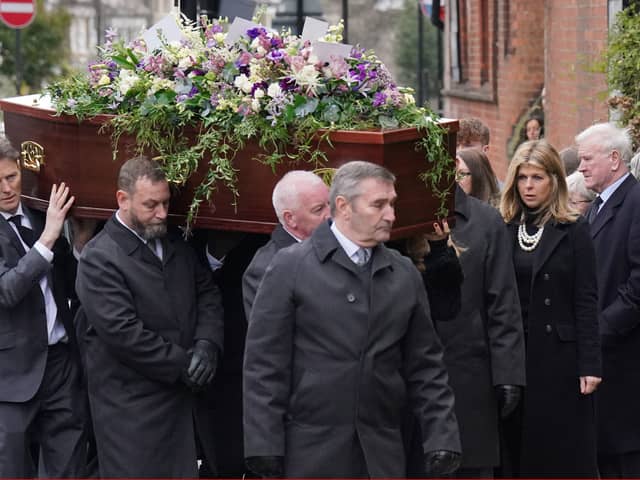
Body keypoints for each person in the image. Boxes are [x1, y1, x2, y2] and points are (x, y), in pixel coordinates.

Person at [243, 160, 461, 478]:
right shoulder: (290, 267)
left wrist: (442, 436)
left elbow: (426, 364)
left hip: (381, 451)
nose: (391, 215)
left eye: (392, 204)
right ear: (343, 207)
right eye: (378, 205)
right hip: (309, 450)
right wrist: (264, 446)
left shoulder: (402, 274)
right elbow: (264, 365)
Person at [75, 156, 224, 477]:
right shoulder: (100, 258)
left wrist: (208, 343)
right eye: (150, 204)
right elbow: (124, 334)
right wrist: (185, 364)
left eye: (166, 202)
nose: (161, 213)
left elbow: (207, 293)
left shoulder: (173, 243)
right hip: (134, 414)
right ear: (122, 199)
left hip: (184, 405)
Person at [500, 139, 601, 477]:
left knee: (557, 449)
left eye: (537, 177)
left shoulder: (573, 228)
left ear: (554, 180)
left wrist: (590, 363)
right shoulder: (504, 227)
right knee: (516, 446)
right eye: (523, 177)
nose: (528, 186)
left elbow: (586, 298)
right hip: (515, 353)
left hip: (560, 357)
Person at [416, 185, 525, 478]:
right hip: (413, 378)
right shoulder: (397, 217)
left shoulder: (486, 221)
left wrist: (509, 374)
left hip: (469, 371)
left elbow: (502, 300)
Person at [0, 138, 94, 476]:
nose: (7, 189)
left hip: (60, 365)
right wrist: (50, 237)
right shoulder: (49, 227)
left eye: (11, 177)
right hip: (9, 375)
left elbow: (70, 282)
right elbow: (7, 291)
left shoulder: (41, 215)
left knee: (68, 466)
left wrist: (80, 245)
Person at [576, 123, 640, 477]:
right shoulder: (595, 208)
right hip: (601, 365)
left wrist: (595, 332)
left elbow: (637, 285)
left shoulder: (635, 202)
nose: (581, 167)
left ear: (615, 159)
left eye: (587, 159)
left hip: (623, 362)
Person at [242, 170, 330, 315]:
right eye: (318, 209)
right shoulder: (265, 268)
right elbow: (269, 333)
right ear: (290, 219)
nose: (330, 214)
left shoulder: (338, 244)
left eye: (330, 203)